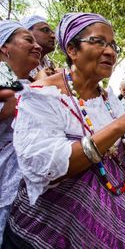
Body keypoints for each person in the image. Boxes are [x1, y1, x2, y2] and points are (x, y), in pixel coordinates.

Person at [3, 12, 125, 248]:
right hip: (58, 230)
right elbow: (46, 168)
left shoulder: (108, 101)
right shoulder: (41, 95)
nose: (110, 51)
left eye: (113, 45)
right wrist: (119, 126)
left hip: (113, 215)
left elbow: (122, 157)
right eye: (98, 42)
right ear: (72, 50)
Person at [0, 20, 42, 246]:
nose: (37, 46)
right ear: (4, 48)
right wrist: (39, 90)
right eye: (28, 40)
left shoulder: (26, 83)